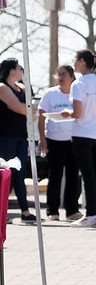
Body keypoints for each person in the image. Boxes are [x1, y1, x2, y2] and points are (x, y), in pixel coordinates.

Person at [67, 50, 96, 229]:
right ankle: (95, 214)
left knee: (88, 175)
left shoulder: (78, 84)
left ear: (82, 61)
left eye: (75, 60)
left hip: (83, 133)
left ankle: (91, 215)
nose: (74, 63)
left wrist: (66, 113)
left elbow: (77, 113)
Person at [36, 65, 82, 222]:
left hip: (74, 141)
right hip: (54, 141)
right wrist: (42, 139)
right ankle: (52, 211)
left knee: (73, 177)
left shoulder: (77, 93)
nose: (60, 77)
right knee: (55, 176)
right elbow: (41, 117)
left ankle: (72, 211)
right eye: (58, 74)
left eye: (64, 74)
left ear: (72, 77)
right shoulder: (50, 94)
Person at [0, 58, 35, 222]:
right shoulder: (2, 87)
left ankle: (25, 211)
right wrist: (29, 110)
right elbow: (21, 108)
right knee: (4, 174)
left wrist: (30, 110)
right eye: (19, 68)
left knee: (19, 174)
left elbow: (32, 110)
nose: (22, 71)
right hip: (5, 137)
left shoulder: (22, 88)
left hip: (21, 137)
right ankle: (2, 213)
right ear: (11, 70)